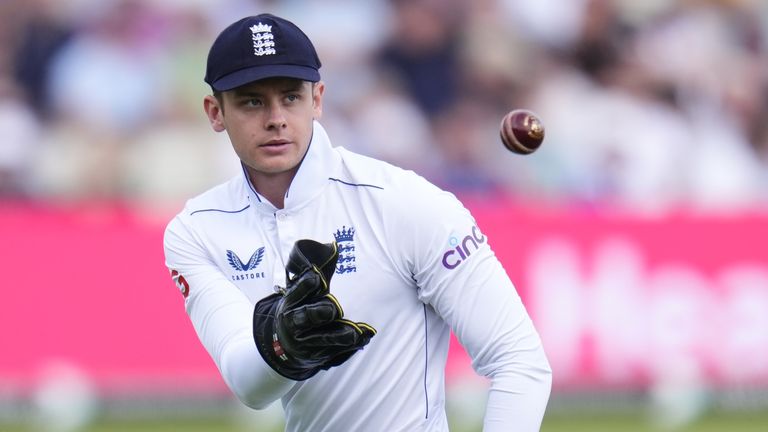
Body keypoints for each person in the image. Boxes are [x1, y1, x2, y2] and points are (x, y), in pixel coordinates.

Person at [163, 13, 552, 431]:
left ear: (318, 99)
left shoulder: (405, 202)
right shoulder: (195, 231)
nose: (275, 118)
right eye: (252, 101)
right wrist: (281, 347)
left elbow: (519, 359)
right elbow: (250, 389)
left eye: (290, 97)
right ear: (215, 112)